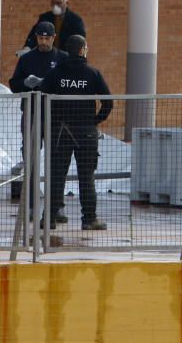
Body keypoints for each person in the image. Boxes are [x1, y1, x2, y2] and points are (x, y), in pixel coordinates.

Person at [40, 34, 112, 231]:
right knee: (86, 177)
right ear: (82, 50)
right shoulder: (92, 73)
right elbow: (109, 102)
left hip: (60, 131)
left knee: (56, 176)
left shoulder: (55, 73)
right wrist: (95, 121)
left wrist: (51, 122)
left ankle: (49, 218)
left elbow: (41, 98)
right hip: (86, 132)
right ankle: (89, 219)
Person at [8, 21, 65, 215]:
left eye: (47, 38)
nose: (43, 41)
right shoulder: (27, 59)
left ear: (53, 37)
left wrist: (50, 85)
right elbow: (14, 84)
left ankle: (57, 206)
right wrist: (25, 83)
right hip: (32, 113)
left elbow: (65, 85)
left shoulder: (62, 58)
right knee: (31, 158)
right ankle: (31, 204)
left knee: (56, 161)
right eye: (40, 38)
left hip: (55, 115)